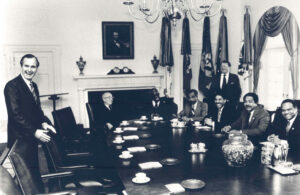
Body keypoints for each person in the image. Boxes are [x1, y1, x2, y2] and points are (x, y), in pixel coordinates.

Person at [4, 54, 56, 169]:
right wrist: (35, 132)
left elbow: (37, 109)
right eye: (26, 66)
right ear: (21, 66)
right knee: (22, 176)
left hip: (31, 136)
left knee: (32, 171)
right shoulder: (12, 86)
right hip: (19, 139)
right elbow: (15, 115)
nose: (29, 70)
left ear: (37, 68)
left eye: (33, 67)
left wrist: (44, 123)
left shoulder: (34, 86)